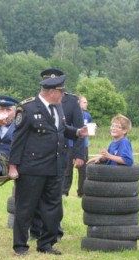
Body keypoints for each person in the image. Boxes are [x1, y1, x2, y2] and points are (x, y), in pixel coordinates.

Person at [8, 74, 88, 256]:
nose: (63, 95)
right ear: (51, 92)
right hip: (32, 168)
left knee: (53, 207)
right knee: (26, 207)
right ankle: (20, 245)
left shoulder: (58, 107)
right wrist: (13, 166)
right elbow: (17, 140)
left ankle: (46, 243)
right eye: (61, 92)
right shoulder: (27, 109)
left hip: (55, 166)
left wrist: (77, 132)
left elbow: (61, 129)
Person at [30, 68, 84, 241]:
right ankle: (35, 229)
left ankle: (54, 229)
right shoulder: (38, 102)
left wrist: (79, 154)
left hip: (61, 153)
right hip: (40, 156)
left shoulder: (71, 101)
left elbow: (78, 129)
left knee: (55, 195)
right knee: (37, 194)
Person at [65, 96, 92, 197]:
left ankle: (82, 192)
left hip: (84, 145)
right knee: (68, 169)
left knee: (84, 170)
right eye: (84, 102)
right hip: (71, 144)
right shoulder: (70, 114)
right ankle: (64, 191)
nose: (86, 104)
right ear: (78, 103)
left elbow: (87, 130)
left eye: (86, 102)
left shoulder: (87, 116)